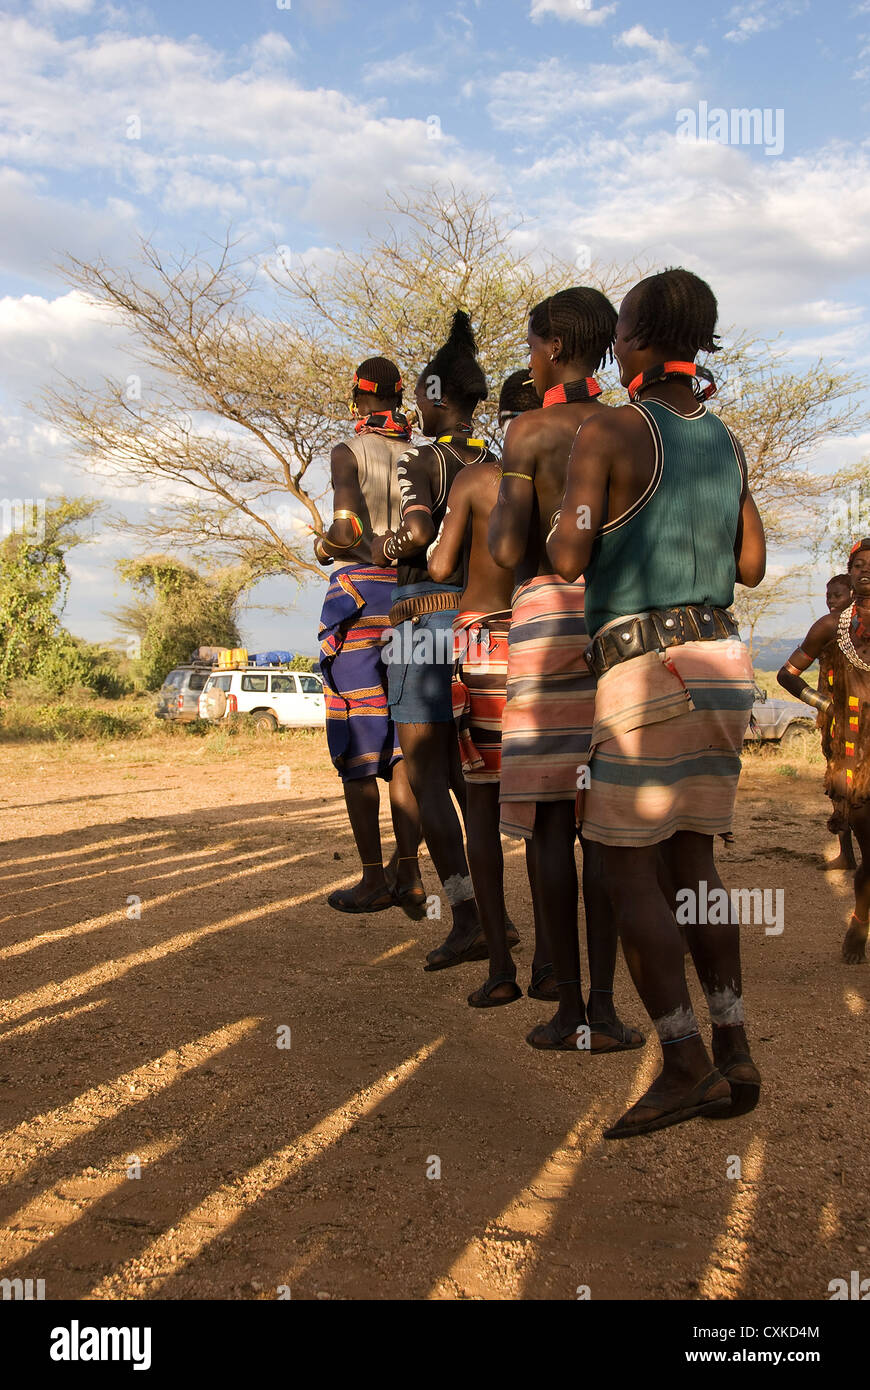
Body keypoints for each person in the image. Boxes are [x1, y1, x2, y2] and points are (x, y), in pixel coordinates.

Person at [549, 267, 766, 1138]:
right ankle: (733, 1043)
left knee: (621, 864)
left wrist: (572, 514)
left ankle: (680, 1063)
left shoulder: (610, 428)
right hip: (721, 661)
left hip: (646, 667)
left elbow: (568, 558)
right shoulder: (723, 439)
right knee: (693, 865)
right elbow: (749, 565)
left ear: (635, 334)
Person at [488, 287, 644, 1052]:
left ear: (551, 344)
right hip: (622, 624)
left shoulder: (531, 428)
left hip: (549, 619)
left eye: (531, 344)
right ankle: (611, 1009)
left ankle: (568, 1005)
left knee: (551, 821)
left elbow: (508, 550)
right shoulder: (627, 427)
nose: (529, 356)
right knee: (607, 826)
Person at [372, 313, 504, 970]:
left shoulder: (421, 460)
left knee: (423, 774)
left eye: (421, 396)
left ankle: (471, 917)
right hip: (485, 630)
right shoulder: (500, 462)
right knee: (469, 777)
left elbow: (418, 537)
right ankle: (496, 917)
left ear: (433, 392)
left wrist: (380, 546)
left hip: (423, 621)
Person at [427, 370, 550, 1006]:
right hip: (548, 635)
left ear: (504, 421)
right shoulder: (568, 479)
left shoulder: (478, 480)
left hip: (481, 642)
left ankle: (500, 966)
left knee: (481, 802)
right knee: (550, 809)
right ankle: (554, 966)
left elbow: (443, 564)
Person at [315, 357, 424, 918]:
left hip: (360, 603)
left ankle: (371, 877)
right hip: (412, 604)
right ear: (400, 396)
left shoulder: (346, 453)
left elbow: (347, 529)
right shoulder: (424, 455)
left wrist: (323, 547)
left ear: (358, 399)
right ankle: (411, 874)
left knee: (359, 748)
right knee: (406, 742)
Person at [778, 543, 870, 963]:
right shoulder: (830, 627)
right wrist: (825, 704)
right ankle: (861, 920)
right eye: (858, 565)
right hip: (854, 754)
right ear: (849, 573)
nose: (865, 572)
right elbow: (787, 674)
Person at [817, 573, 856, 871]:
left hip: (862, 724)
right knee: (837, 786)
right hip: (834, 725)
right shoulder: (827, 631)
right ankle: (846, 855)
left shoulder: (862, 633)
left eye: (838, 595)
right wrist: (827, 707)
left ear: (853, 596)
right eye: (829, 596)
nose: (831, 601)